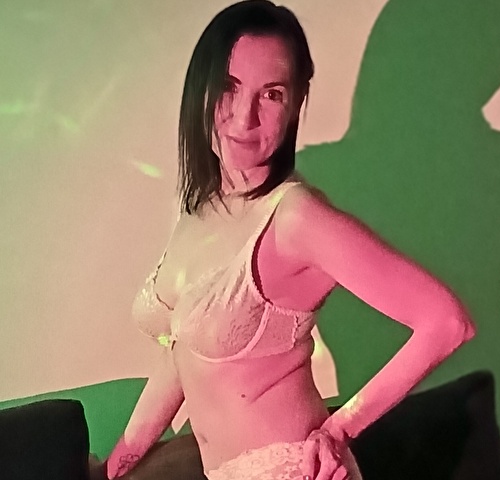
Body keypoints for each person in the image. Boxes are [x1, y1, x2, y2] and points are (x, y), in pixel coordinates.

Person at [96, 1, 475, 479]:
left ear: (296, 104)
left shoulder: (295, 217)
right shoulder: (198, 212)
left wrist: (340, 429)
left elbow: (447, 322)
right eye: (228, 87)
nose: (244, 118)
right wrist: (114, 465)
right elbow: (182, 355)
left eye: (272, 94)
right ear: (200, 89)